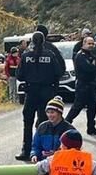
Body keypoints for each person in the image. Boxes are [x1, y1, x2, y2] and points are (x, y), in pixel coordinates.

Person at [15, 31, 62, 161]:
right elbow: (58, 72)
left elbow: (19, 75)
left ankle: (26, 150)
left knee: (28, 122)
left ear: (32, 41)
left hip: (31, 92)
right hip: (46, 92)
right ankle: (42, 151)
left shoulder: (26, 56)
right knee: (44, 122)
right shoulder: (50, 55)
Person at [65, 37, 96, 136]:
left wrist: (94, 67)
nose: (91, 45)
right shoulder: (80, 56)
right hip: (82, 85)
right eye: (89, 44)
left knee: (92, 107)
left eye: (92, 44)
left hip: (91, 84)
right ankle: (65, 125)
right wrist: (93, 66)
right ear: (84, 44)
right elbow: (88, 69)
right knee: (77, 107)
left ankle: (91, 127)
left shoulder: (91, 54)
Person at [30, 96, 75, 162]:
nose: (49, 115)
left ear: (60, 113)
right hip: (44, 162)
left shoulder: (69, 130)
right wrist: (34, 155)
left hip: (62, 164)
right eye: (48, 112)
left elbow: (74, 151)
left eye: (52, 112)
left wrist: (56, 154)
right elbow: (35, 146)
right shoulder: (42, 127)